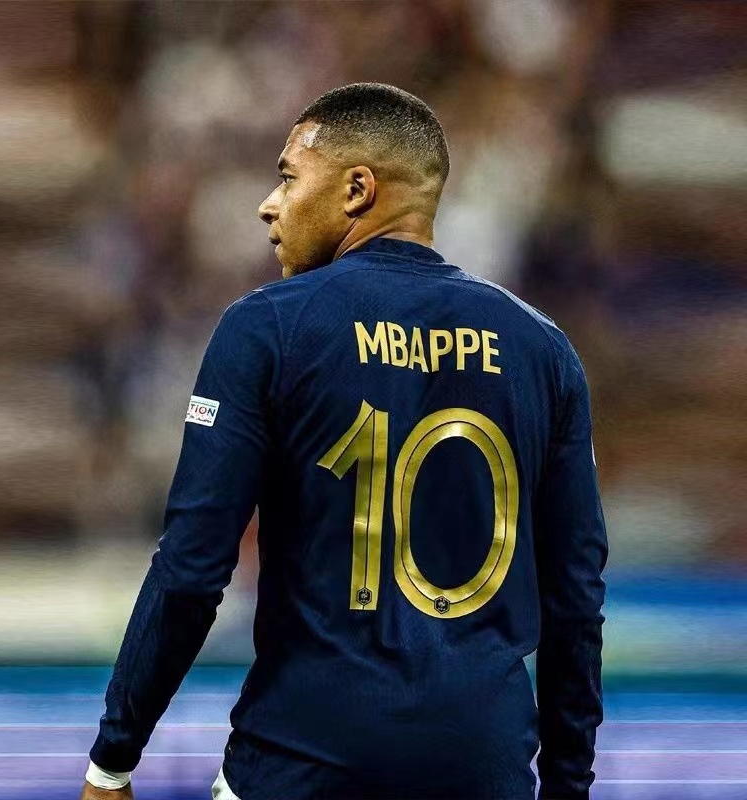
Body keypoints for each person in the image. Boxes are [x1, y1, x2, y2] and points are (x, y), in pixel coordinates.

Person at [81, 83, 607, 800]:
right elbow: (575, 596)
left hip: (299, 763)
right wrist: (570, 785)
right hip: (480, 770)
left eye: (289, 177)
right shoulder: (544, 352)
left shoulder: (267, 327)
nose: (269, 204)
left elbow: (192, 568)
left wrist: (114, 756)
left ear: (357, 189)